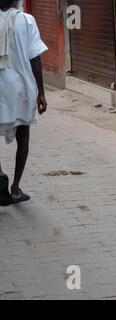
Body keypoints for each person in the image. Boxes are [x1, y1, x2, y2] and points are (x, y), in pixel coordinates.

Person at [0, 0, 48, 205]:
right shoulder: (27, 20)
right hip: (22, 89)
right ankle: (16, 189)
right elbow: (34, 58)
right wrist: (41, 93)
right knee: (23, 138)